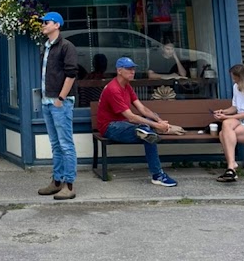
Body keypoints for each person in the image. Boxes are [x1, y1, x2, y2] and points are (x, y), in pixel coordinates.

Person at [95, 57, 178, 187]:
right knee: (147, 133)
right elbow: (131, 117)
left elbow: (142, 108)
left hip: (125, 125)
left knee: (147, 132)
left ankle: (146, 132)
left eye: (133, 69)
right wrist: (157, 126)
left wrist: (159, 121)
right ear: (119, 71)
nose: (132, 71)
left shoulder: (127, 86)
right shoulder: (113, 89)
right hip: (110, 128)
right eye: (129, 69)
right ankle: (157, 175)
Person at [36, 12, 79, 201]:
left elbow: (71, 74)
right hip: (47, 100)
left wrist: (61, 98)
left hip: (60, 101)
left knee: (65, 144)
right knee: (55, 144)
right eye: (43, 22)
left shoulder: (66, 46)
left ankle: (69, 185)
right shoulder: (45, 47)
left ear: (57, 25)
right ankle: (57, 181)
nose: (43, 24)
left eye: (47, 22)